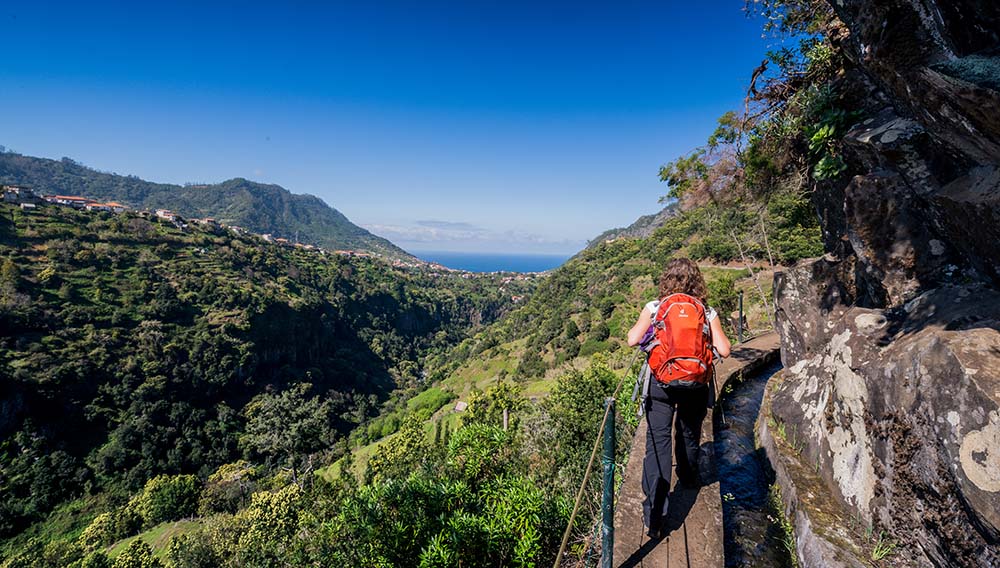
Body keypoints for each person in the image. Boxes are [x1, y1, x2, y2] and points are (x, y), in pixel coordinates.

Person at [627, 258, 731, 538]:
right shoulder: (706, 311)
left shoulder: (655, 307)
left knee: (657, 443)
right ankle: (687, 475)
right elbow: (725, 349)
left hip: (661, 382)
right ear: (697, 281)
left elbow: (632, 339)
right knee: (688, 433)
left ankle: (654, 516)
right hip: (696, 383)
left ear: (666, 280)